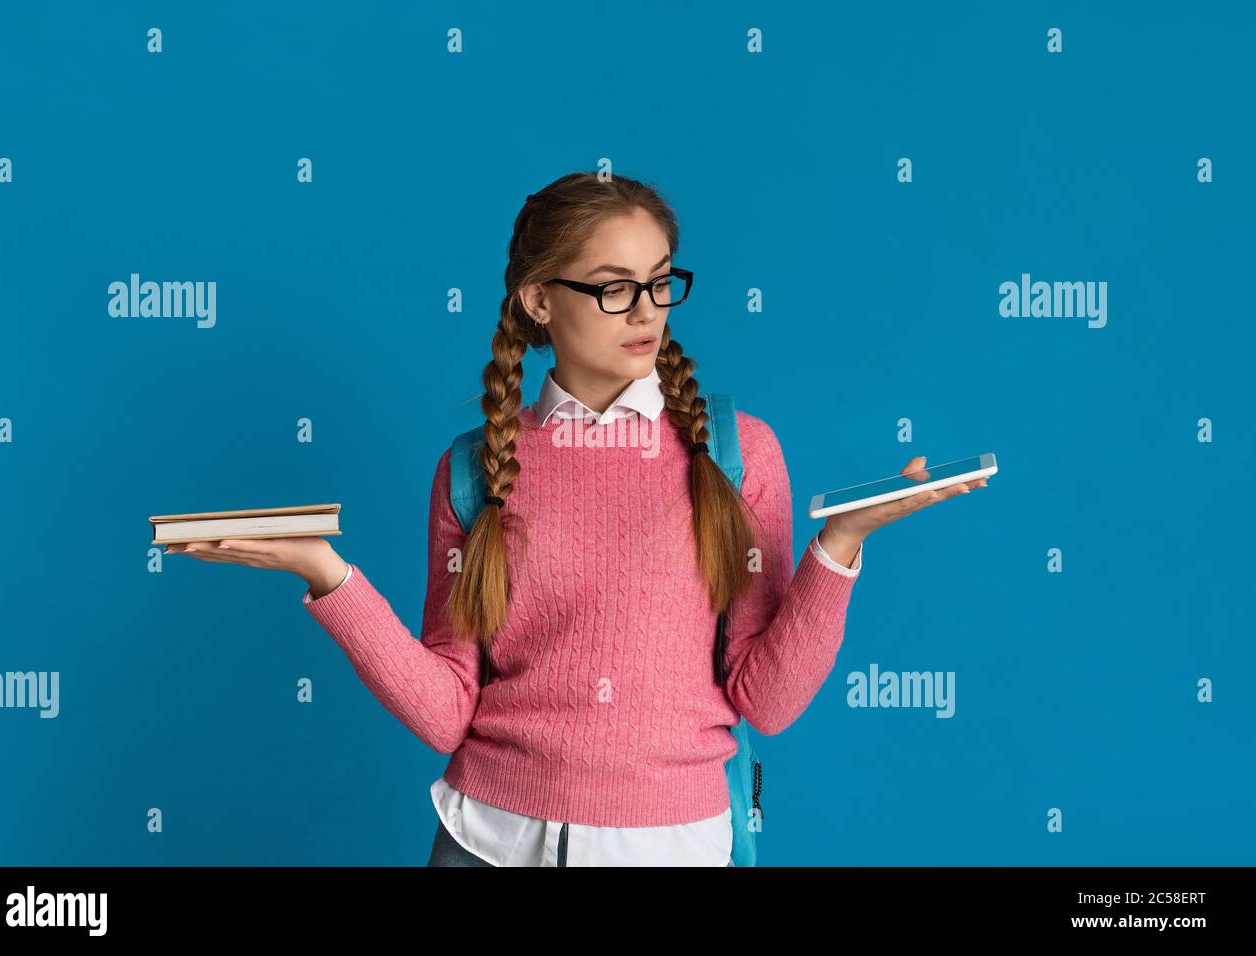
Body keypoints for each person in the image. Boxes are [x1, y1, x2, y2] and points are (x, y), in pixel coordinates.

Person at [165, 171, 987, 866]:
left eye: (661, 281)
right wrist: (326, 574)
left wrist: (839, 546)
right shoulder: (471, 468)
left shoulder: (739, 456)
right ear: (537, 300)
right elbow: (446, 709)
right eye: (613, 287)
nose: (646, 310)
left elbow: (764, 700)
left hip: (676, 845)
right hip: (485, 842)